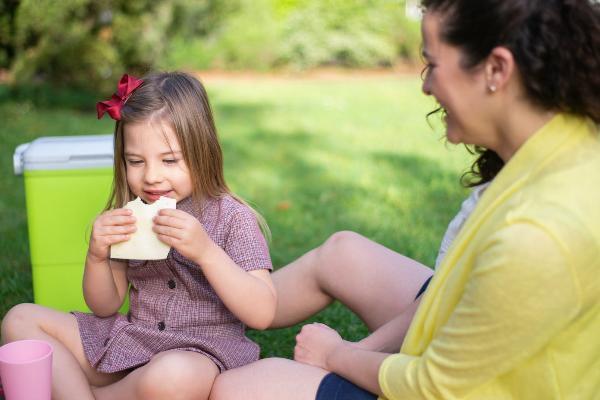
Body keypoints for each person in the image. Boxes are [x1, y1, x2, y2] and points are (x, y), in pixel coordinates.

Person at [210, 0, 600, 399]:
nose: (426, 85)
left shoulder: (537, 233)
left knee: (240, 388)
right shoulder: (559, 148)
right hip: (483, 352)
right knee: (344, 251)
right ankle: (198, 316)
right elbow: (451, 286)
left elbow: (431, 386)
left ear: (497, 70)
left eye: (433, 64)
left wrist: (337, 354)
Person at [0, 72, 277, 400]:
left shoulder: (232, 217)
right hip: (134, 342)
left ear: (203, 152)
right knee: (20, 320)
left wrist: (206, 252)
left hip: (200, 356)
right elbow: (106, 306)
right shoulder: (130, 214)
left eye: (169, 160)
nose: (152, 176)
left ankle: (81, 392)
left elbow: (262, 312)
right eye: (135, 161)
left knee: (170, 378)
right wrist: (97, 256)